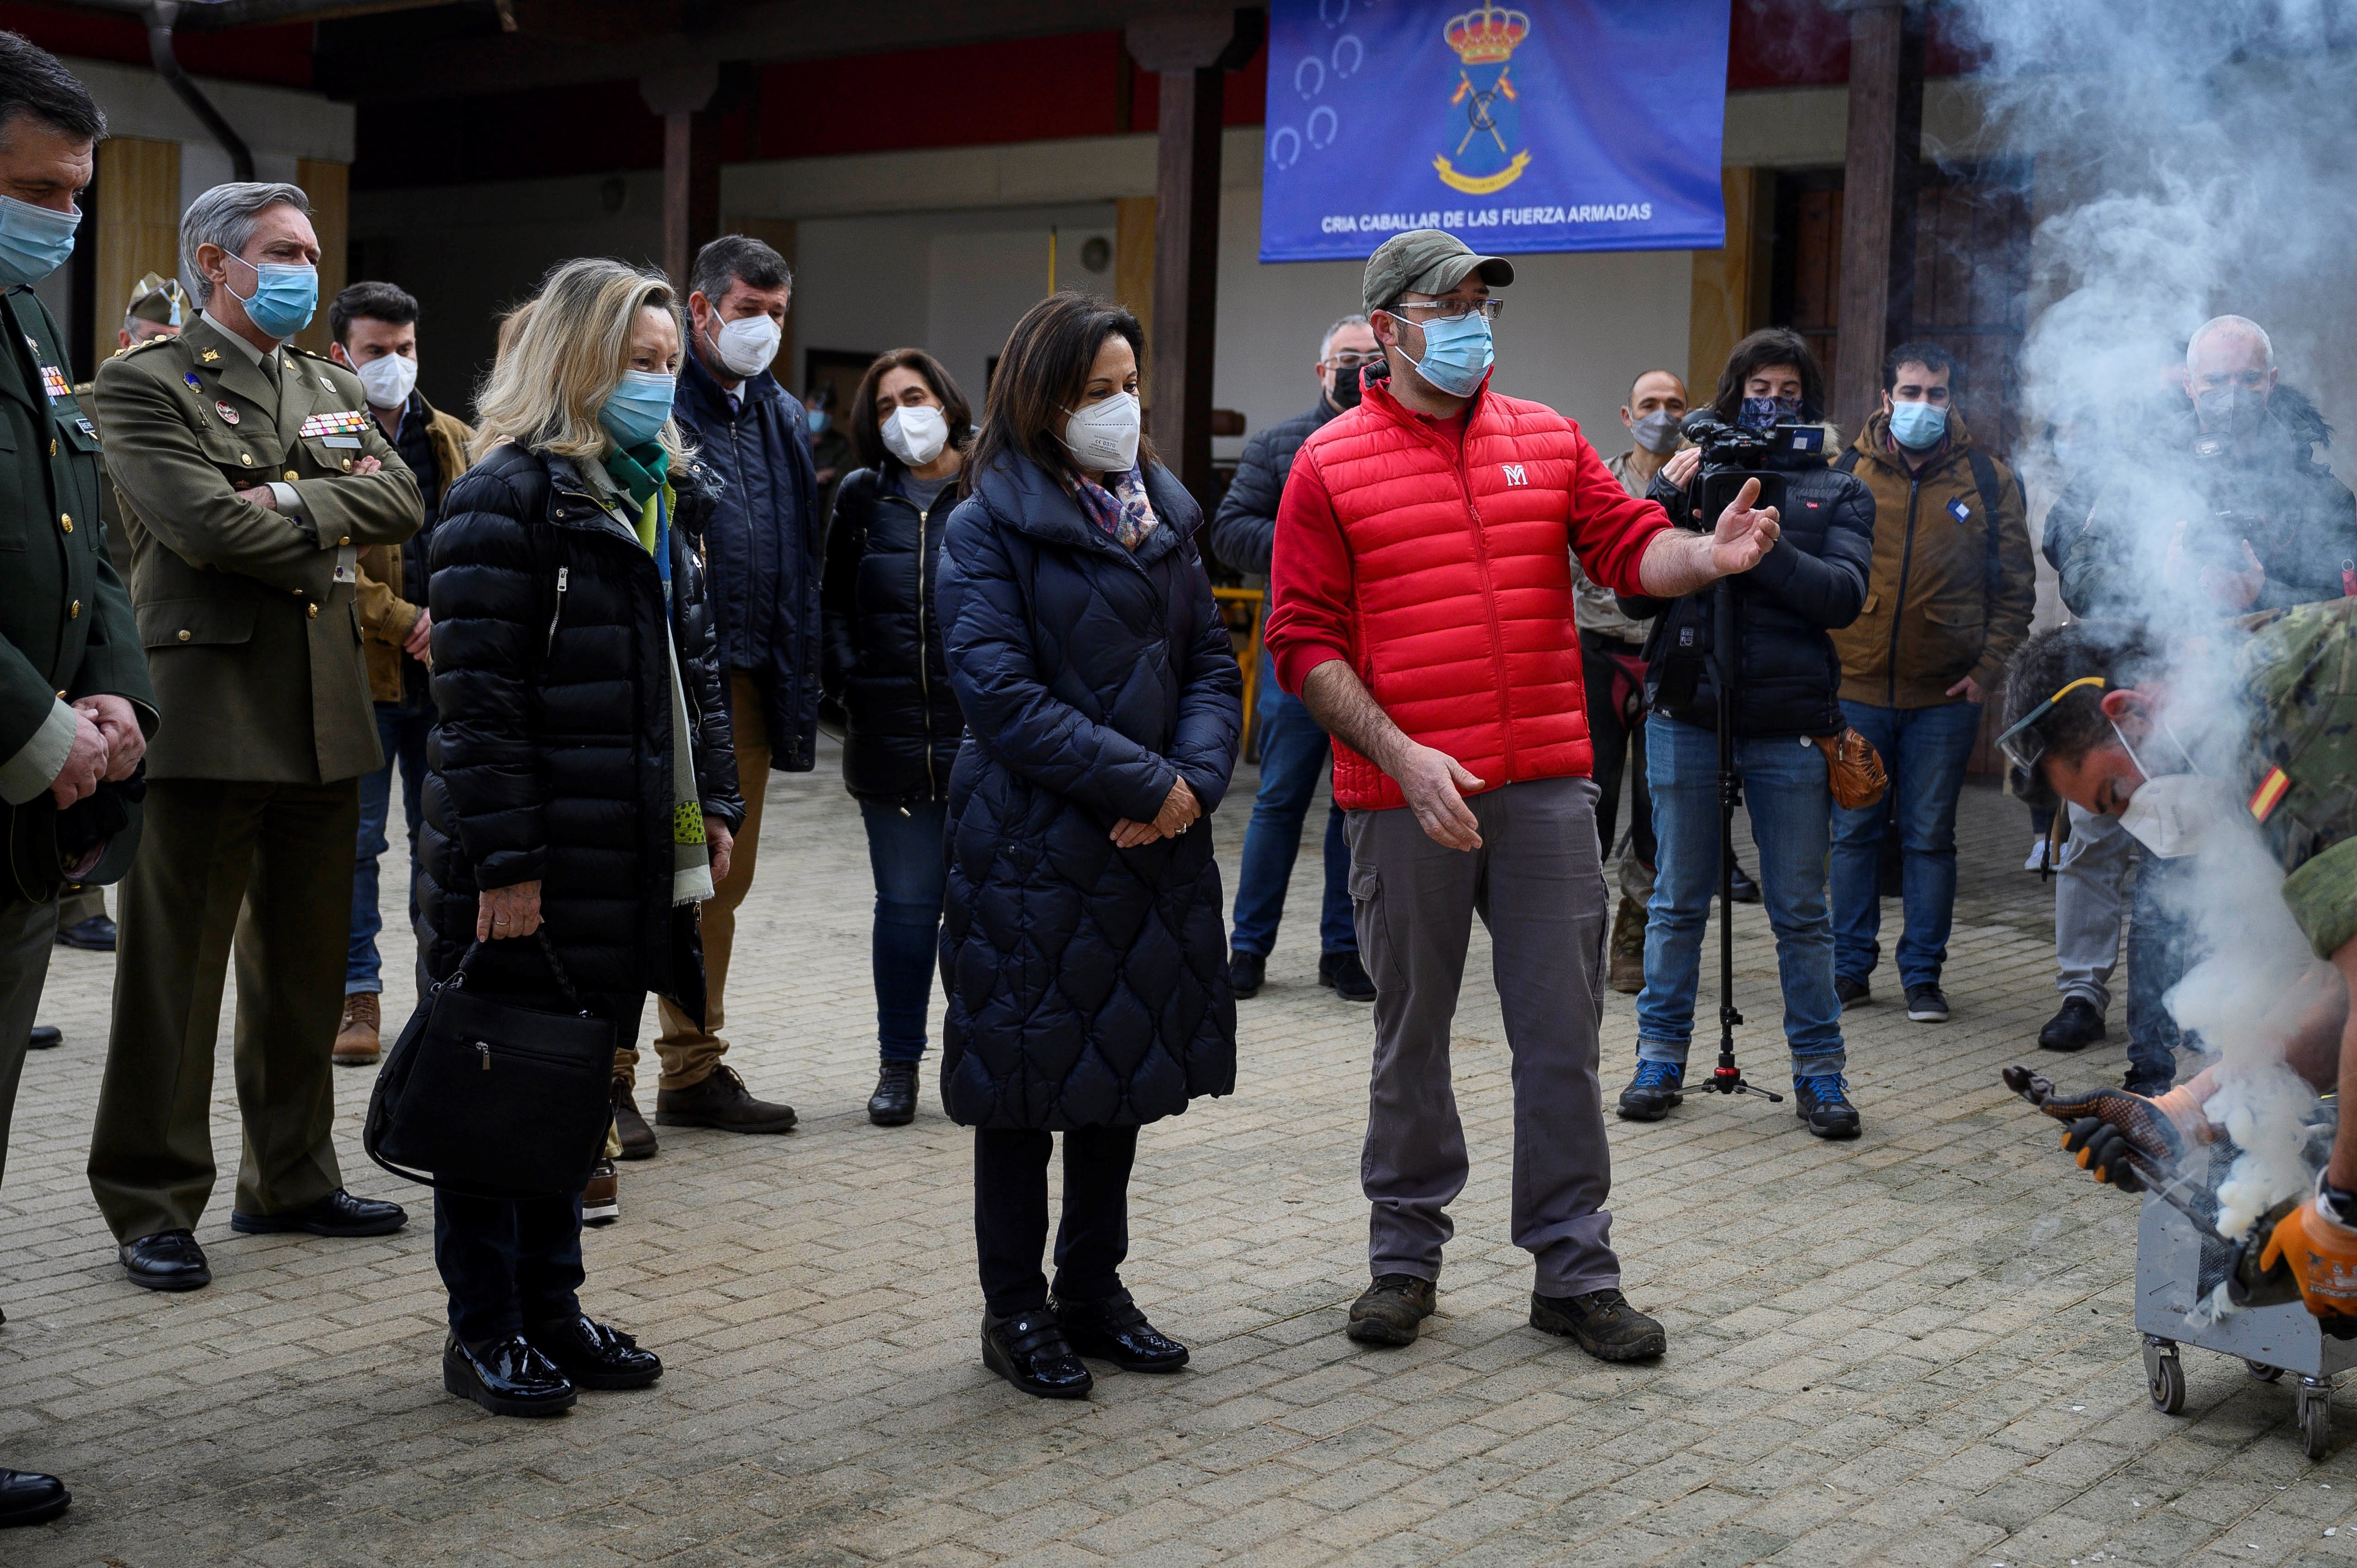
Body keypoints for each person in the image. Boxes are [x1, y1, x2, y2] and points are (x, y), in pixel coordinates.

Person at [1267, 230, 1782, 1361]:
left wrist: (1709, 557)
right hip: (1404, 795)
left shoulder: (1545, 438)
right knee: (1411, 1038)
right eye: (1449, 306)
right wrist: (1401, 756)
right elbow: (1297, 639)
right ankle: (1403, 1261)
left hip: (1546, 785)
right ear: (1392, 325)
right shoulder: (1328, 463)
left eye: (1483, 307)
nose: (1472, 326)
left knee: (1561, 1035)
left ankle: (1573, 1269)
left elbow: (1629, 547)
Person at [418, 256, 742, 1416]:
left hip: (623, 849)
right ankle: (486, 1327)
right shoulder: (504, 497)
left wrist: (718, 800)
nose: (658, 385)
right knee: (501, 1094)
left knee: (566, 1097)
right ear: (575, 365)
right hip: (532, 860)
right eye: (636, 364)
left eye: (667, 365)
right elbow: (480, 699)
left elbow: (688, 664)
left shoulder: (651, 493)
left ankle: (554, 1305)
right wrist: (506, 860)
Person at [88, 181, 421, 1292]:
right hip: (210, 706)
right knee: (174, 977)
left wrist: (281, 502)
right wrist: (313, 505)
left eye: (312, 250)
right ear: (213, 262)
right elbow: (199, 525)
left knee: (306, 970)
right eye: (281, 250)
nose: (303, 269)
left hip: (326, 709)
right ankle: (151, 1198)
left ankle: (291, 1175)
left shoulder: (325, 380)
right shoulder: (145, 383)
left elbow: (403, 498)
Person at [935, 292, 1241, 1400]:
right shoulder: (984, 524)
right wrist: (1146, 778)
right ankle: (1014, 1306)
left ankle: (1093, 1288)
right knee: (1024, 1082)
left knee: (1118, 1069)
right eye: (1096, 390)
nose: (1121, 409)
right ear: (1044, 396)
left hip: (1149, 841)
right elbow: (1002, 696)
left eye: (1129, 388)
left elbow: (1211, 661)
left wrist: (1192, 783)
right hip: (1030, 847)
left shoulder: (1163, 512)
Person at [1998, 603, 2357, 1328]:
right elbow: (2340, 986)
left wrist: (2342, 1210)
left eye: (2117, 794)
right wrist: (2186, 1111)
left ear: (2129, 710)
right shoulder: (2249, 707)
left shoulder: (2288, 706)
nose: (2135, 819)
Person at [2048, 318, 2357, 1085]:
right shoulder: (2141, 472)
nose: (2230, 396)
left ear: (2271, 382)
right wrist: (2160, 573)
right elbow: (2081, 578)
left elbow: (2341, 603)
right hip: (2169, 711)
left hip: (2287, 727)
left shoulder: (2313, 485)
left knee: (2271, 899)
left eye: (2247, 380)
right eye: (2214, 381)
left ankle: (2260, 1074)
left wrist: (2258, 595)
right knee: (2165, 884)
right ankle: (2153, 1072)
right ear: (2189, 384)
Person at [0, 33, 150, 1526]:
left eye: (72, 192)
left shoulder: (27, 326)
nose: (60, 217)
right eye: (36, 189)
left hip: (29, 812)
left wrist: (114, 689)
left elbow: (89, 533)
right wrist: (40, 727)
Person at [1616, 328, 1874, 1137]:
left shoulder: (1838, 489)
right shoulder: (1691, 478)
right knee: (1675, 900)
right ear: (1732, 395)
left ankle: (1821, 1073)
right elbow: (1633, 596)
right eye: (1758, 387)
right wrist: (1663, 501)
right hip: (1689, 711)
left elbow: (1842, 597)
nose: (1773, 401)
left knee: (1801, 907)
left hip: (1792, 724)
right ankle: (1659, 1056)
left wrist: (1757, 550)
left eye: (1789, 391)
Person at [619, 234, 812, 1154]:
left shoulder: (777, 411)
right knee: (641, 876)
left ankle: (691, 1066)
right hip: (658, 673)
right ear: (699, 309)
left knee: (718, 883)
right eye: (749, 310)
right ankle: (606, 1074)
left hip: (746, 678)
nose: (765, 328)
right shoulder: (657, 395)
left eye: (778, 312)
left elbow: (795, 550)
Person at [1826, 342, 2034, 1023]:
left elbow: (2015, 591)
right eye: (1910, 393)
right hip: (1854, 688)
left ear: (1954, 400)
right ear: (1886, 399)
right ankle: (1849, 970)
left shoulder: (1988, 478)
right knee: (1854, 833)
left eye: (1936, 395)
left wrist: (1987, 672)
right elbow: (1814, 572)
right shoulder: (1845, 470)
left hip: (1945, 699)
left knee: (1929, 837)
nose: (1923, 407)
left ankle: (1923, 977)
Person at [1207, 312, 1377, 1005]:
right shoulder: (1278, 446)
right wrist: (1307, 532)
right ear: (1321, 370)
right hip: (1296, 661)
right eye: (1347, 356)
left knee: (1354, 809)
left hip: (1373, 662)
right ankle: (1248, 948)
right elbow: (1229, 532)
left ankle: (1345, 951)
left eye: (1374, 357)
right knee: (1278, 803)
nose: (1360, 368)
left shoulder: (1401, 442)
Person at [325, 279, 474, 1065]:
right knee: (355, 845)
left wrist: (449, 620)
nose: (393, 364)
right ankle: (357, 995)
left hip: (444, 678)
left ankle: (440, 995)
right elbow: (325, 557)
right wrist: (403, 619)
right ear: (339, 354)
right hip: (365, 677)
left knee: (442, 843)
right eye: (376, 351)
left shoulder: (453, 435)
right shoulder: (316, 436)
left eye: (405, 350)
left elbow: (482, 542)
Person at [821, 348, 971, 1126]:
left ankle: (978, 1061)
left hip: (984, 743)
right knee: (908, 910)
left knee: (983, 914)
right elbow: (834, 606)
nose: (903, 414)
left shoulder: (995, 485)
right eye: (884, 406)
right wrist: (851, 689)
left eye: (914, 396)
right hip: (888, 740)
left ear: (947, 400)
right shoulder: (859, 496)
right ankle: (897, 1065)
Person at [45, 273, 190, 965]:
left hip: (154, 614)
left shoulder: (190, 413)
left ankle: (88, 888)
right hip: (91, 613)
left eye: (173, 345)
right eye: (151, 341)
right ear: (124, 340)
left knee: (126, 764)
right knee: (81, 763)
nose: (159, 354)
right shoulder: (78, 410)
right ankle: (72, 901)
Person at [1592, 369, 1685, 992]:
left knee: (1658, 808)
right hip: (1595, 651)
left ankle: (1633, 932)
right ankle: (1573, 930)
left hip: (1667, 659)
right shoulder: (1595, 478)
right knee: (1584, 802)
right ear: (1627, 416)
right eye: (1649, 404)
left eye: (1674, 404)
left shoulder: (1704, 479)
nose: (1662, 414)